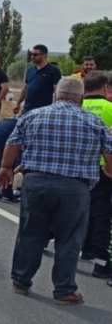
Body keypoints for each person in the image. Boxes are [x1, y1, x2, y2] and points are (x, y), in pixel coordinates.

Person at [0, 77, 112, 304]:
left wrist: (5, 168)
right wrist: (108, 169)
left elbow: (13, 142)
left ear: (56, 94)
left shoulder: (34, 115)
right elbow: (109, 154)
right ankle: (64, 290)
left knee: (30, 234)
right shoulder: (94, 122)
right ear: (81, 97)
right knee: (69, 239)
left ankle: (21, 281)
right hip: (75, 188)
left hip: (36, 183)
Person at [79, 72, 112, 278]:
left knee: (83, 211)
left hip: (79, 167)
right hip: (104, 168)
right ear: (105, 87)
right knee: (102, 215)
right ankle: (101, 262)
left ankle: (86, 249)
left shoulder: (77, 107)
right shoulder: (109, 108)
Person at [14, 44, 62, 116]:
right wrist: (18, 103)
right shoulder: (30, 70)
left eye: (35, 55)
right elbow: (25, 88)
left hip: (43, 111)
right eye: (31, 54)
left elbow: (57, 90)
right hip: (27, 109)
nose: (32, 56)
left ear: (44, 55)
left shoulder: (53, 70)